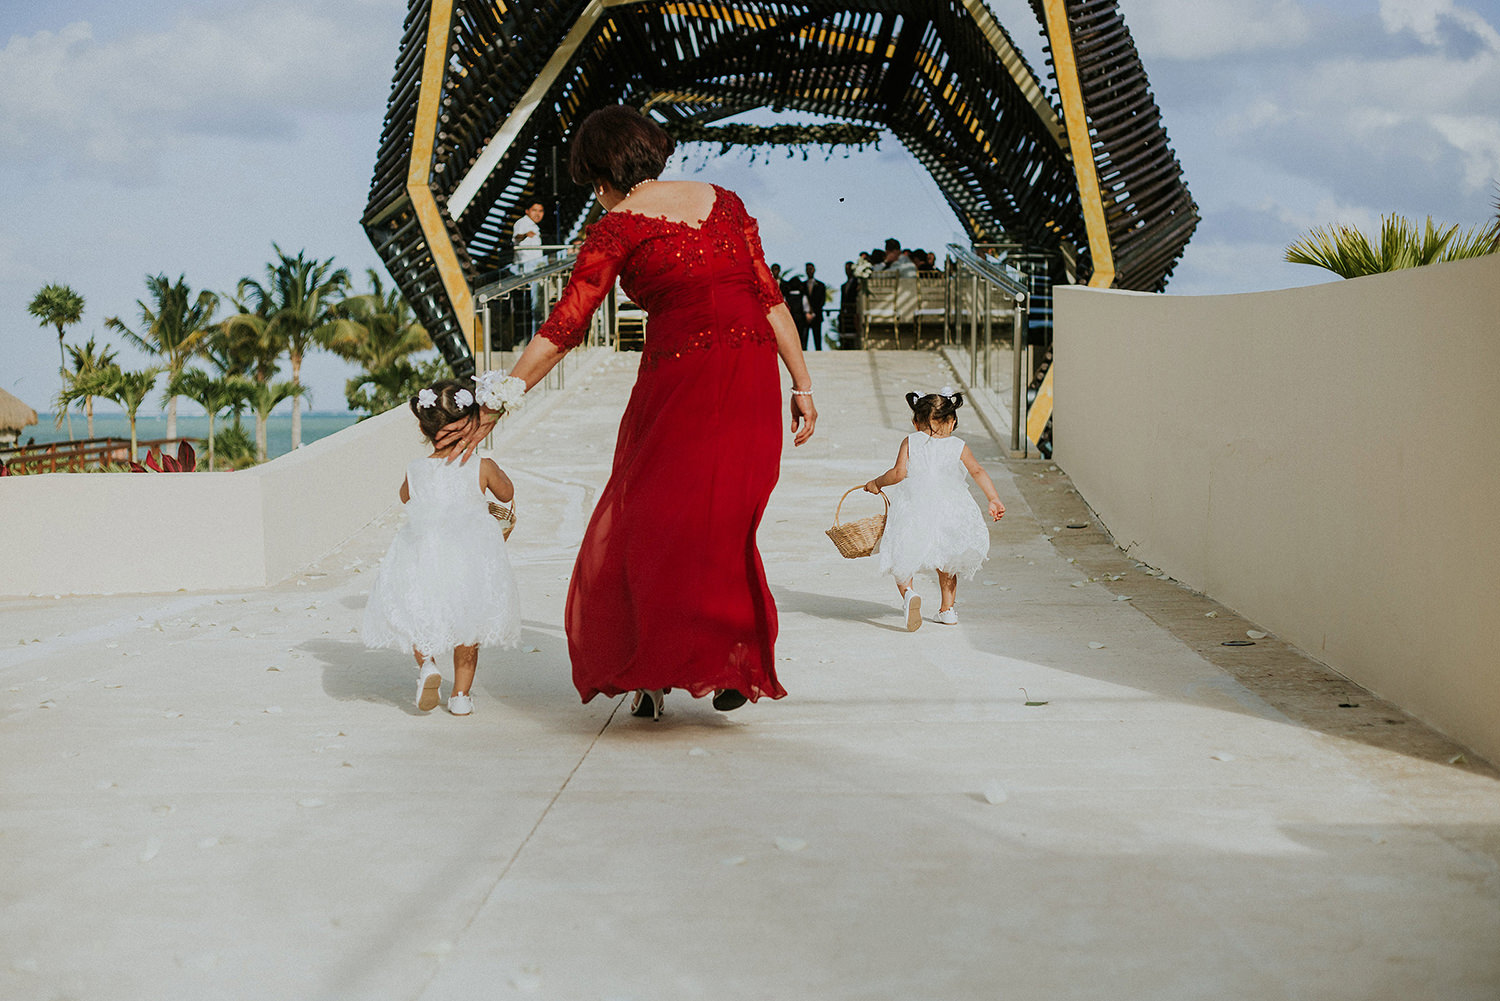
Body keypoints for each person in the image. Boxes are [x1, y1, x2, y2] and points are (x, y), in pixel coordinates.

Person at [444, 104, 817, 720]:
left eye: (593, 179)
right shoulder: (724, 201)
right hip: (751, 373)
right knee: (724, 519)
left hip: (681, 378)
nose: (596, 192)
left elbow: (565, 324)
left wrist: (498, 402)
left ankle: (671, 660)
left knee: (652, 516)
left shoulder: (617, 223)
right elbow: (769, 298)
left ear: (603, 171)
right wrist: (801, 384)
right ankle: (722, 658)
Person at [361, 380, 521, 715]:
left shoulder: (416, 469)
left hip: (424, 555)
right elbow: (506, 494)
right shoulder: (481, 466)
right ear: (472, 422)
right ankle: (461, 697)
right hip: (469, 560)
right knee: (468, 628)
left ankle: (428, 666)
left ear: (424, 426)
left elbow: (406, 497)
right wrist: (492, 471)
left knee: (420, 615)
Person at [863, 388, 1004, 630]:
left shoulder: (910, 441)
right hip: (951, 506)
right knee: (947, 559)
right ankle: (947, 609)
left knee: (902, 552)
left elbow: (899, 473)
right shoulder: (958, 445)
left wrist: (876, 483)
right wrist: (993, 498)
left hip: (914, 504)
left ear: (915, 423)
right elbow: (977, 471)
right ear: (953, 421)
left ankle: (908, 594)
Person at [512, 202, 545, 271]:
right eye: (534, 210)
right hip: (525, 267)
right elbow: (517, 237)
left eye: (540, 211)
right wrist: (525, 235)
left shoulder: (535, 227)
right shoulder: (522, 222)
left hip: (535, 266)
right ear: (527, 211)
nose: (537, 214)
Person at [804, 262, 827, 351]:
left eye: (811, 269)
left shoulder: (821, 285)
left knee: (817, 337)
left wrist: (813, 312)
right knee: (804, 337)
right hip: (805, 316)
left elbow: (822, 301)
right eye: (807, 269)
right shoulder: (802, 285)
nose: (809, 271)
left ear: (814, 270)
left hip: (817, 315)